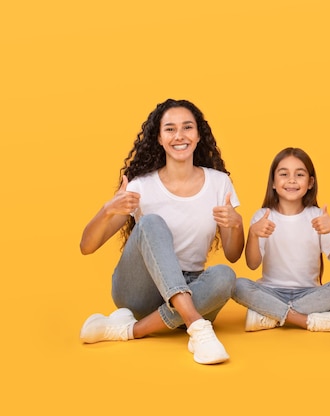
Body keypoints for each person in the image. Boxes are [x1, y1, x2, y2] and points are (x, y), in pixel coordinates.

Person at [79, 99, 244, 365]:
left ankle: (130, 330)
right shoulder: (140, 186)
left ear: (199, 135)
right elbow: (86, 246)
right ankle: (197, 327)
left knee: (226, 274)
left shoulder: (219, 183)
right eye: (170, 129)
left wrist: (235, 223)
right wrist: (107, 209)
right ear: (158, 137)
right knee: (151, 222)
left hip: (193, 287)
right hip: (140, 291)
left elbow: (234, 254)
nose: (179, 135)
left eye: (187, 127)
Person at [232, 147, 330, 332]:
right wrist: (254, 234)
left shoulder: (317, 216)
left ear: (310, 182)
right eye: (284, 174)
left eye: (299, 174)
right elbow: (252, 264)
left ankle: (271, 316)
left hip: (309, 293)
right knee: (237, 285)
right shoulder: (262, 216)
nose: (291, 180)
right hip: (271, 291)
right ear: (273, 182)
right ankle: (306, 320)